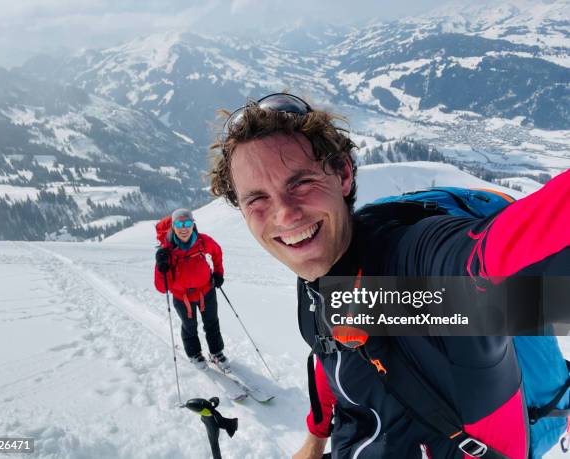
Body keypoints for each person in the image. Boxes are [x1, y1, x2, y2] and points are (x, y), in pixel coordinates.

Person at [209, 93, 570, 458]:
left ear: (344, 174)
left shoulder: (413, 277)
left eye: (300, 182)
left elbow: (490, 261)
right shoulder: (323, 277)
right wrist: (315, 438)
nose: (285, 216)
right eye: (257, 199)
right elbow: (330, 354)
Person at [154, 208, 228, 370]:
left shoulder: (202, 241)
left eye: (187, 223)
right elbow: (161, 288)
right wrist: (161, 267)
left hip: (206, 291)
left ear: (193, 225)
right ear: (173, 226)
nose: (184, 228)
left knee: (212, 323)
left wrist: (218, 273)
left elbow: (216, 252)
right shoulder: (166, 251)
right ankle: (194, 354)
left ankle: (216, 352)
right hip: (182, 297)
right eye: (179, 224)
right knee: (189, 326)